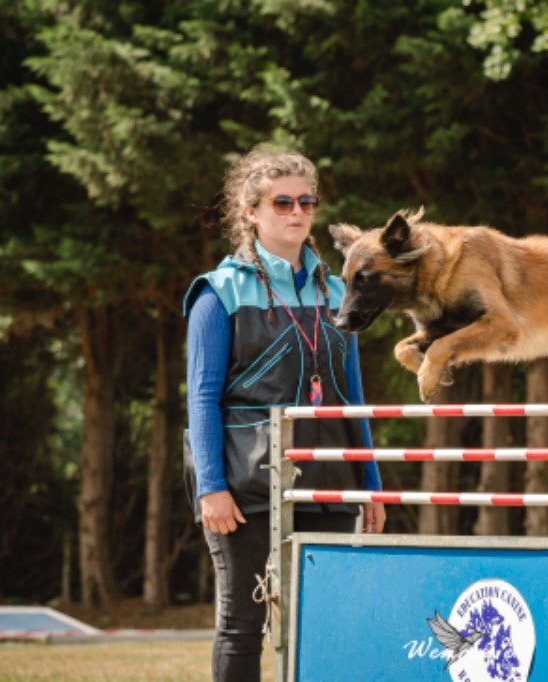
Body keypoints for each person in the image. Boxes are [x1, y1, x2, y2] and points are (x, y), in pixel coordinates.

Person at [184, 145, 386, 682]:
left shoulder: (341, 290)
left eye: (307, 201)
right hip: (246, 484)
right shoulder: (218, 292)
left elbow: (353, 393)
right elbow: (201, 398)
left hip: (332, 478)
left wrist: (371, 481)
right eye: (282, 202)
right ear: (251, 211)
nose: (297, 212)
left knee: (327, 626)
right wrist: (211, 487)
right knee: (243, 623)